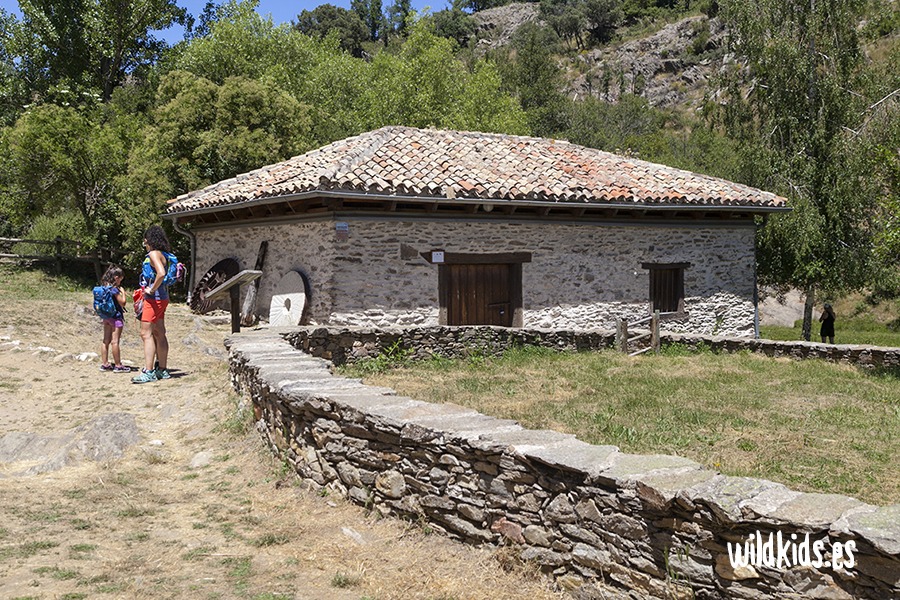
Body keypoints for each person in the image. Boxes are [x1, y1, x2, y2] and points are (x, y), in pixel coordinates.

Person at [132, 225, 172, 383]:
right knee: (159, 332)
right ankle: (162, 369)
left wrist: (151, 289)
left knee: (146, 333)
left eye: (145, 240)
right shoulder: (165, 254)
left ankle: (148, 371)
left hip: (153, 299)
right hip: (163, 298)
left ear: (149, 240)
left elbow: (161, 273)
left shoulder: (154, 254)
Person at [98, 265, 129, 373]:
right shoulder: (114, 289)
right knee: (115, 342)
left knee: (105, 340)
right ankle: (118, 365)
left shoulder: (104, 287)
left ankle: (105, 364)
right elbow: (123, 303)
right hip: (115, 318)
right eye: (120, 278)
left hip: (106, 317)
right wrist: (123, 293)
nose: (121, 281)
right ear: (116, 277)